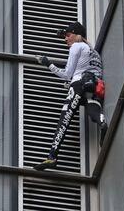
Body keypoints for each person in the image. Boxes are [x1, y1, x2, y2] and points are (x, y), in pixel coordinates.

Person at [33, 22, 108, 171]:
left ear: (77, 35)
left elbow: (67, 74)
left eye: (68, 36)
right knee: (92, 109)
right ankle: (102, 122)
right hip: (94, 85)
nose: (65, 39)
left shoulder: (76, 47)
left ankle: (52, 156)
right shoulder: (94, 52)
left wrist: (48, 64)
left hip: (79, 83)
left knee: (64, 118)